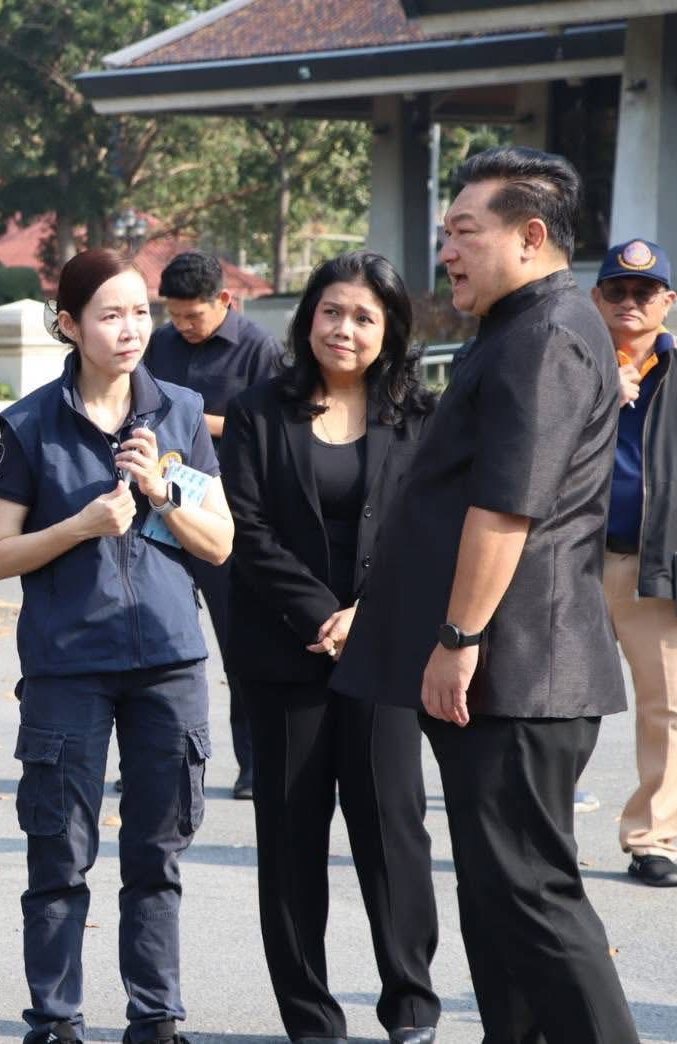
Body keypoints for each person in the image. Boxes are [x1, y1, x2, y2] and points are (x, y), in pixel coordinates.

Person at [332, 146, 638, 1043]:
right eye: (445, 234)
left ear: (531, 237)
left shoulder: (544, 336)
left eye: (465, 232)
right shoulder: (519, 328)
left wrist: (459, 636)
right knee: (501, 900)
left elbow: (507, 508)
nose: (448, 253)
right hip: (508, 672)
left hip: (518, 670)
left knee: (533, 896)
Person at [0, 248, 234, 1044]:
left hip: (169, 660)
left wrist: (162, 492)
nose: (130, 330)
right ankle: (54, 1021)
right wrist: (81, 524)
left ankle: (156, 1019)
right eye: (110, 315)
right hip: (68, 666)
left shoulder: (180, 413)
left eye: (139, 313)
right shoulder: (28, 425)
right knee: (59, 857)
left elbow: (220, 542)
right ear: (70, 325)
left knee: (156, 858)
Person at [219, 252, 439, 1044]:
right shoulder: (256, 410)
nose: (344, 329)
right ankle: (311, 1019)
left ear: (391, 332)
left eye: (364, 317)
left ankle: (411, 1006)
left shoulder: (419, 417)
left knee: (394, 832)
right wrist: (324, 614)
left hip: (384, 656)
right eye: (332, 312)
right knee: (290, 838)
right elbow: (247, 529)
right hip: (283, 656)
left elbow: (430, 536)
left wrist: (365, 617)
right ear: (308, 317)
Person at [593, 239, 677, 888]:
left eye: (645, 292)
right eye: (618, 290)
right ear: (597, 297)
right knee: (555, 708)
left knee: (665, 710)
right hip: (573, 568)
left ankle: (652, 840)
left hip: (666, 570)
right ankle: (540, 831)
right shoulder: (573, 366)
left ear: (668, 300)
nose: (630, 303)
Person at [142, 250, 283, 799]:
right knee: (154, 635)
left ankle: (252, 763)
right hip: (161, 505)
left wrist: (198, 419)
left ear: (225, 301)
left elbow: (276, 427)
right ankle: (147, 758)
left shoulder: (260, 350)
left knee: (239, 643)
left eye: (192, 317)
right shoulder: (158, 345)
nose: (182, 327)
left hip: (228, 513)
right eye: (174, 316)